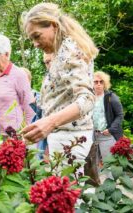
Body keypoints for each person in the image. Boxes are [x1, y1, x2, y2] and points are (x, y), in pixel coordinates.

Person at [21, 2, 98, 168]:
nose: (35, 44)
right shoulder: (60, 52)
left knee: (65, 193)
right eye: (31, 39)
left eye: (37, 36)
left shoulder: (69, 51)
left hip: (71, 140)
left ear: (53, 26)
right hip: (64, 138)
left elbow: (87, 99)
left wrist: (50, 122)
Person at [0, 35, 35, 136]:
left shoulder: (19, 74)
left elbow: (29, 106)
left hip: (15, 133)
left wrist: (27, 133)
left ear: (7, 54)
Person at [93, 71, 124, 159]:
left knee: (108, 165)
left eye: (101, 82)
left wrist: (111, 129)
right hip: (92, 136)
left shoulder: (111, 97)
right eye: (96, 82)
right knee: (93, 165)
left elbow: (120, 115)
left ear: (105, 83)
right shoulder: (88, 97)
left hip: (107, 136)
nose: (98, 84)